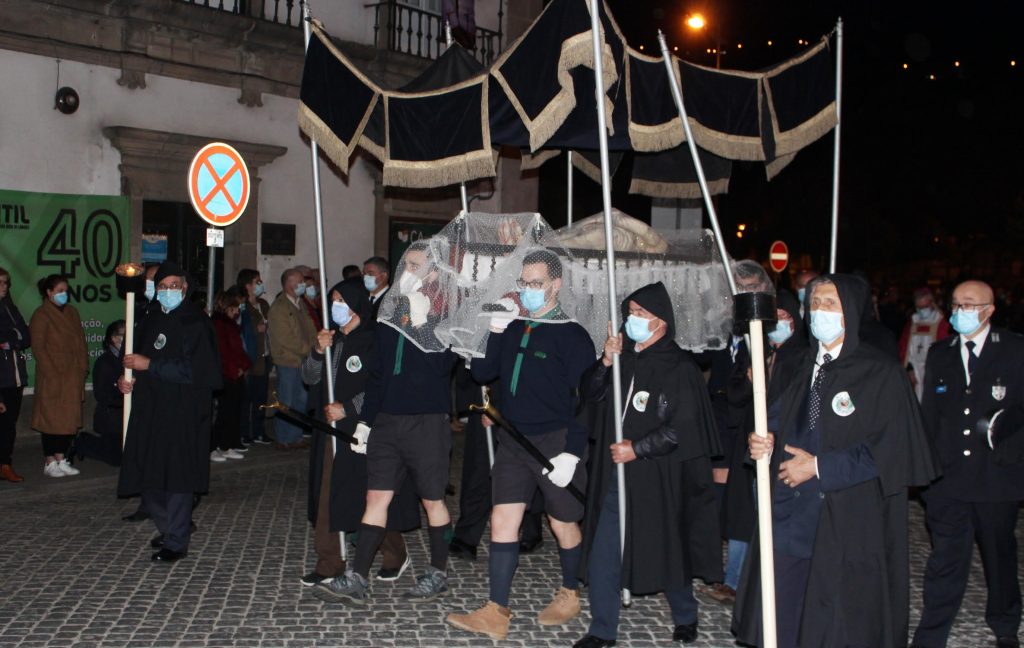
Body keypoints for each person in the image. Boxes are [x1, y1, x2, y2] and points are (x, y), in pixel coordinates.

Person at [734, 273, 937, 648]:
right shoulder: (802, 364)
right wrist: (762, 442)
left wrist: (817, 467)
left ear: (852, 312)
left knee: (834, 616)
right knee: (784, 606)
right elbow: (776, 420)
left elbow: (890, 449)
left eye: (830, 304)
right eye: (814, 303)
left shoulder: (880, 372)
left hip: (843, 516)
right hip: (789, 513)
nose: (818, 312)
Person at [447, 250, 595, 640]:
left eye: (535, 283)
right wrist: (494, 332)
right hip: (513, 437)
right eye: (523, 283)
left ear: (555, 286)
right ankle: (496, 610)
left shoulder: (572, 335)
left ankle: (570, 592)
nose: (527, 290)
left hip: (556, 439)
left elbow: (585, 399)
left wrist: (572, 452)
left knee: (563, 522)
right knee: (502, 521)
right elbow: (482, 372)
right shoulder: (513, 327)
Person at [573, 282, 721, 648]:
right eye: (630, 313)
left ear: (662, 322)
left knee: (666, 546)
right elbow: (591, 394)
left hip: (658, 475)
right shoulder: (622, 357)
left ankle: (685, 613)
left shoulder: (680, 367)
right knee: (604, 551)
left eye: (641, 314)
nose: (632, 320)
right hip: (614, 474)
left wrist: (638, 448)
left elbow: (681, 427)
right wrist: (606, 361)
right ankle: (602, 629)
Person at [314, 243, 458, 605]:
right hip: (386, 421)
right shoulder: (390, 313)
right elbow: (378, 375)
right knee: (375, 496)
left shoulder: (446, 318)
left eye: (417, 265)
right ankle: (357, 577)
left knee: (432, 500)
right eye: (405, 264)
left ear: (434, 274)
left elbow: (443, 370)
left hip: (426, 421)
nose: (408, 271)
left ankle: (438, 571)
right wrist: (365, 422)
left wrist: (425, 326)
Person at [911, 280, 1024, 648]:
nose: (961, 311)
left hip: (996, 479)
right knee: (945, 560)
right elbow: (930, 415)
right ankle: (931, 634)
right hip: (949, 481)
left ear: (990, 309)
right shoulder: (942, 353)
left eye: (970, 304)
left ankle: (1005, 625)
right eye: (957, 304)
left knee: (999, 556)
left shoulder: (1014, 349)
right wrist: (925, 470)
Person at [299, 277, 418, 587]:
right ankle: (329, 561)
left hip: (364, 430)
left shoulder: (374, 340)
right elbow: (310, 378)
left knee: (372, 495)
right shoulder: (332, 339)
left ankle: (394, 552)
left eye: (342, 300)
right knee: (328, 493)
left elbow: (383, 385)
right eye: (333, 300)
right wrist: (315, 351)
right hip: (331, 430)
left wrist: (349, 408)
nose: (336, 306)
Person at [117, 261, 222, 563]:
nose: (167, 291)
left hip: (183, 411)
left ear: (185, 288)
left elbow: (201, 371)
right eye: (162, 286)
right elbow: (132, 361)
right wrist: (126, 381)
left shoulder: (196, 323)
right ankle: (171, 526)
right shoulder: (149, 319)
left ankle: (176, 540)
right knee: (148, 475)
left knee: (177, 477)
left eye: (173, 285)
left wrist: (151, 365)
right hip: (151, 409)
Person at [717, 290, 809, 605]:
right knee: (746, 515)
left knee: (772, 516)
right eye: (776, 318)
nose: (781, 324)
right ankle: (735, 580)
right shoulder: (756, 350)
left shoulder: (803, 358)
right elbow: (734, 395)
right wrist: (749, 379)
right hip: (751, 444)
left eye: (787, 318)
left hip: (783, 448)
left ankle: (766, 582)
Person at [29, 274, 89, 478]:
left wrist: (82, 367)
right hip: (53, 375)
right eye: (60, 291)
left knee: (68, 420)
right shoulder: (41, 315)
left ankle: (61, 458)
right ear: (49, 292)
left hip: (72, 374)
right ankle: (50, 461)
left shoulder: (72, 312)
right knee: (51, 420)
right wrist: (52, 373)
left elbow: (81, 341)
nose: (64, 294)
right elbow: (38, 347)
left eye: (66, 290)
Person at [268, 268, 317, 449]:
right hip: (288, 361)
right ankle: (283, 437)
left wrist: (315, 346)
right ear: (288, 284)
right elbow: (285, 338)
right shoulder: (280, 307)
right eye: (299, 282)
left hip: (303, 360)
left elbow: (310, 328)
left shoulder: (300, 304)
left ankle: (295, 435)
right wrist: (306, 350)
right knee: (286, 400)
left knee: (301, 400)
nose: (303, 285)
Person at [77, 320, 126, 466]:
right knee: (117, 459)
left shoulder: (128, 359)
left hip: (126, 415)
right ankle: (83, 442)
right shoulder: (104, 362)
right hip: (111, 417)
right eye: (123, 335)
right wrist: (120, 388)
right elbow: (101, 394)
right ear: (114, 338)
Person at [210, 287, 250, 462]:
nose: (236, 312)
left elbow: (238, 349)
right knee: (224, 413)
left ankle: (228, 444)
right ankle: (217, 445)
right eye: (233, 308)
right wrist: (235, 369)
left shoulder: (230, 325)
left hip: (235, 373)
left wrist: (243, 366)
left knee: (233, 412)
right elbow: (223, 351)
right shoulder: (219, 325)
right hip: (227, 374)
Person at [0, 267, 30, 482]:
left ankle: (4, 464)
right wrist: (13, 335)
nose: (5, 287)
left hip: (14, 376)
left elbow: (25, 336)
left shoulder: (10, 307)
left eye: (6, 283)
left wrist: (11, 338)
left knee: (9, 425)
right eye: (0, 282)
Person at [237, 269, 272, 445]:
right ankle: (244, 432)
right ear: (248, 285)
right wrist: (254, 330)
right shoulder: (242, 306)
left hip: (264, 355)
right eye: (257, 282)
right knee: (246, 399)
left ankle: (259, 431)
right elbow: (240, 330)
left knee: (260, 398)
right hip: (249, 357)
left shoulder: (263, 305)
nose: (260, 284)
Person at [900, 287, 952, 401]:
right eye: (919, 307)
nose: (922, 310)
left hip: (933, 369)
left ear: (932, 303)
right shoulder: (912, 323)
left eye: (924, 307)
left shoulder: (942, 323)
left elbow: (947, 350)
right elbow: (904, 349)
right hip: (915, 370)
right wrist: (909, 369)